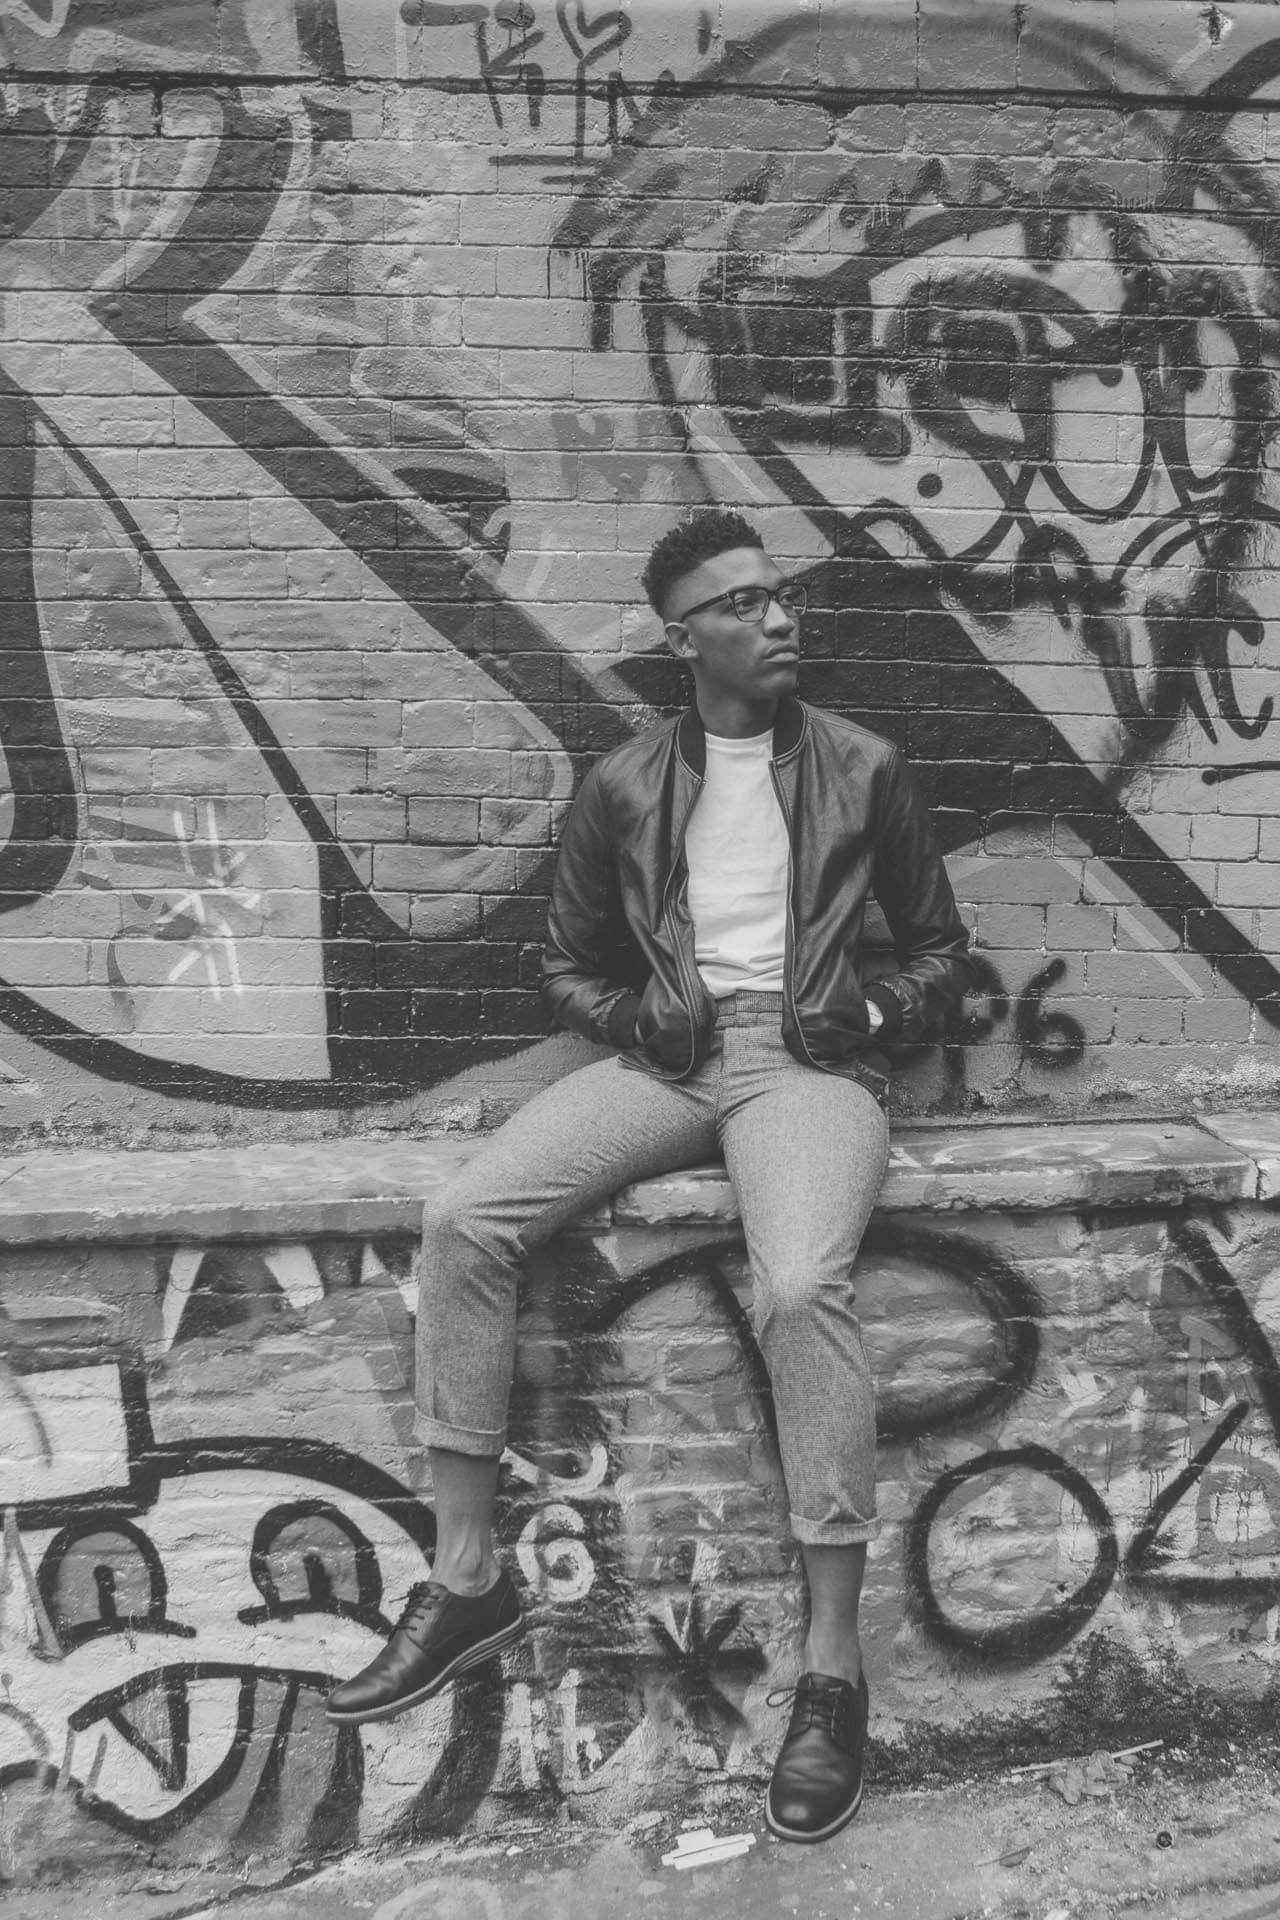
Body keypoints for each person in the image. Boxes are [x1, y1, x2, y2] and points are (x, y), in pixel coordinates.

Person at [326, 507, 974, 1842]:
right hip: (669, 1060)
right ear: (684, 641)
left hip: (808, 1067)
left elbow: (939, 952)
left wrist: (863, 1016)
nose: (777, 618)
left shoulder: (865, 767)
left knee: (799, 1287)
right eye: (740, 604)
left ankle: (831, 1670)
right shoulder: (624, 784)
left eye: (779, 595)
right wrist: (637, 1021)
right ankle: (466, 1578)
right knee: (465, 1218)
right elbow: (566, 963)